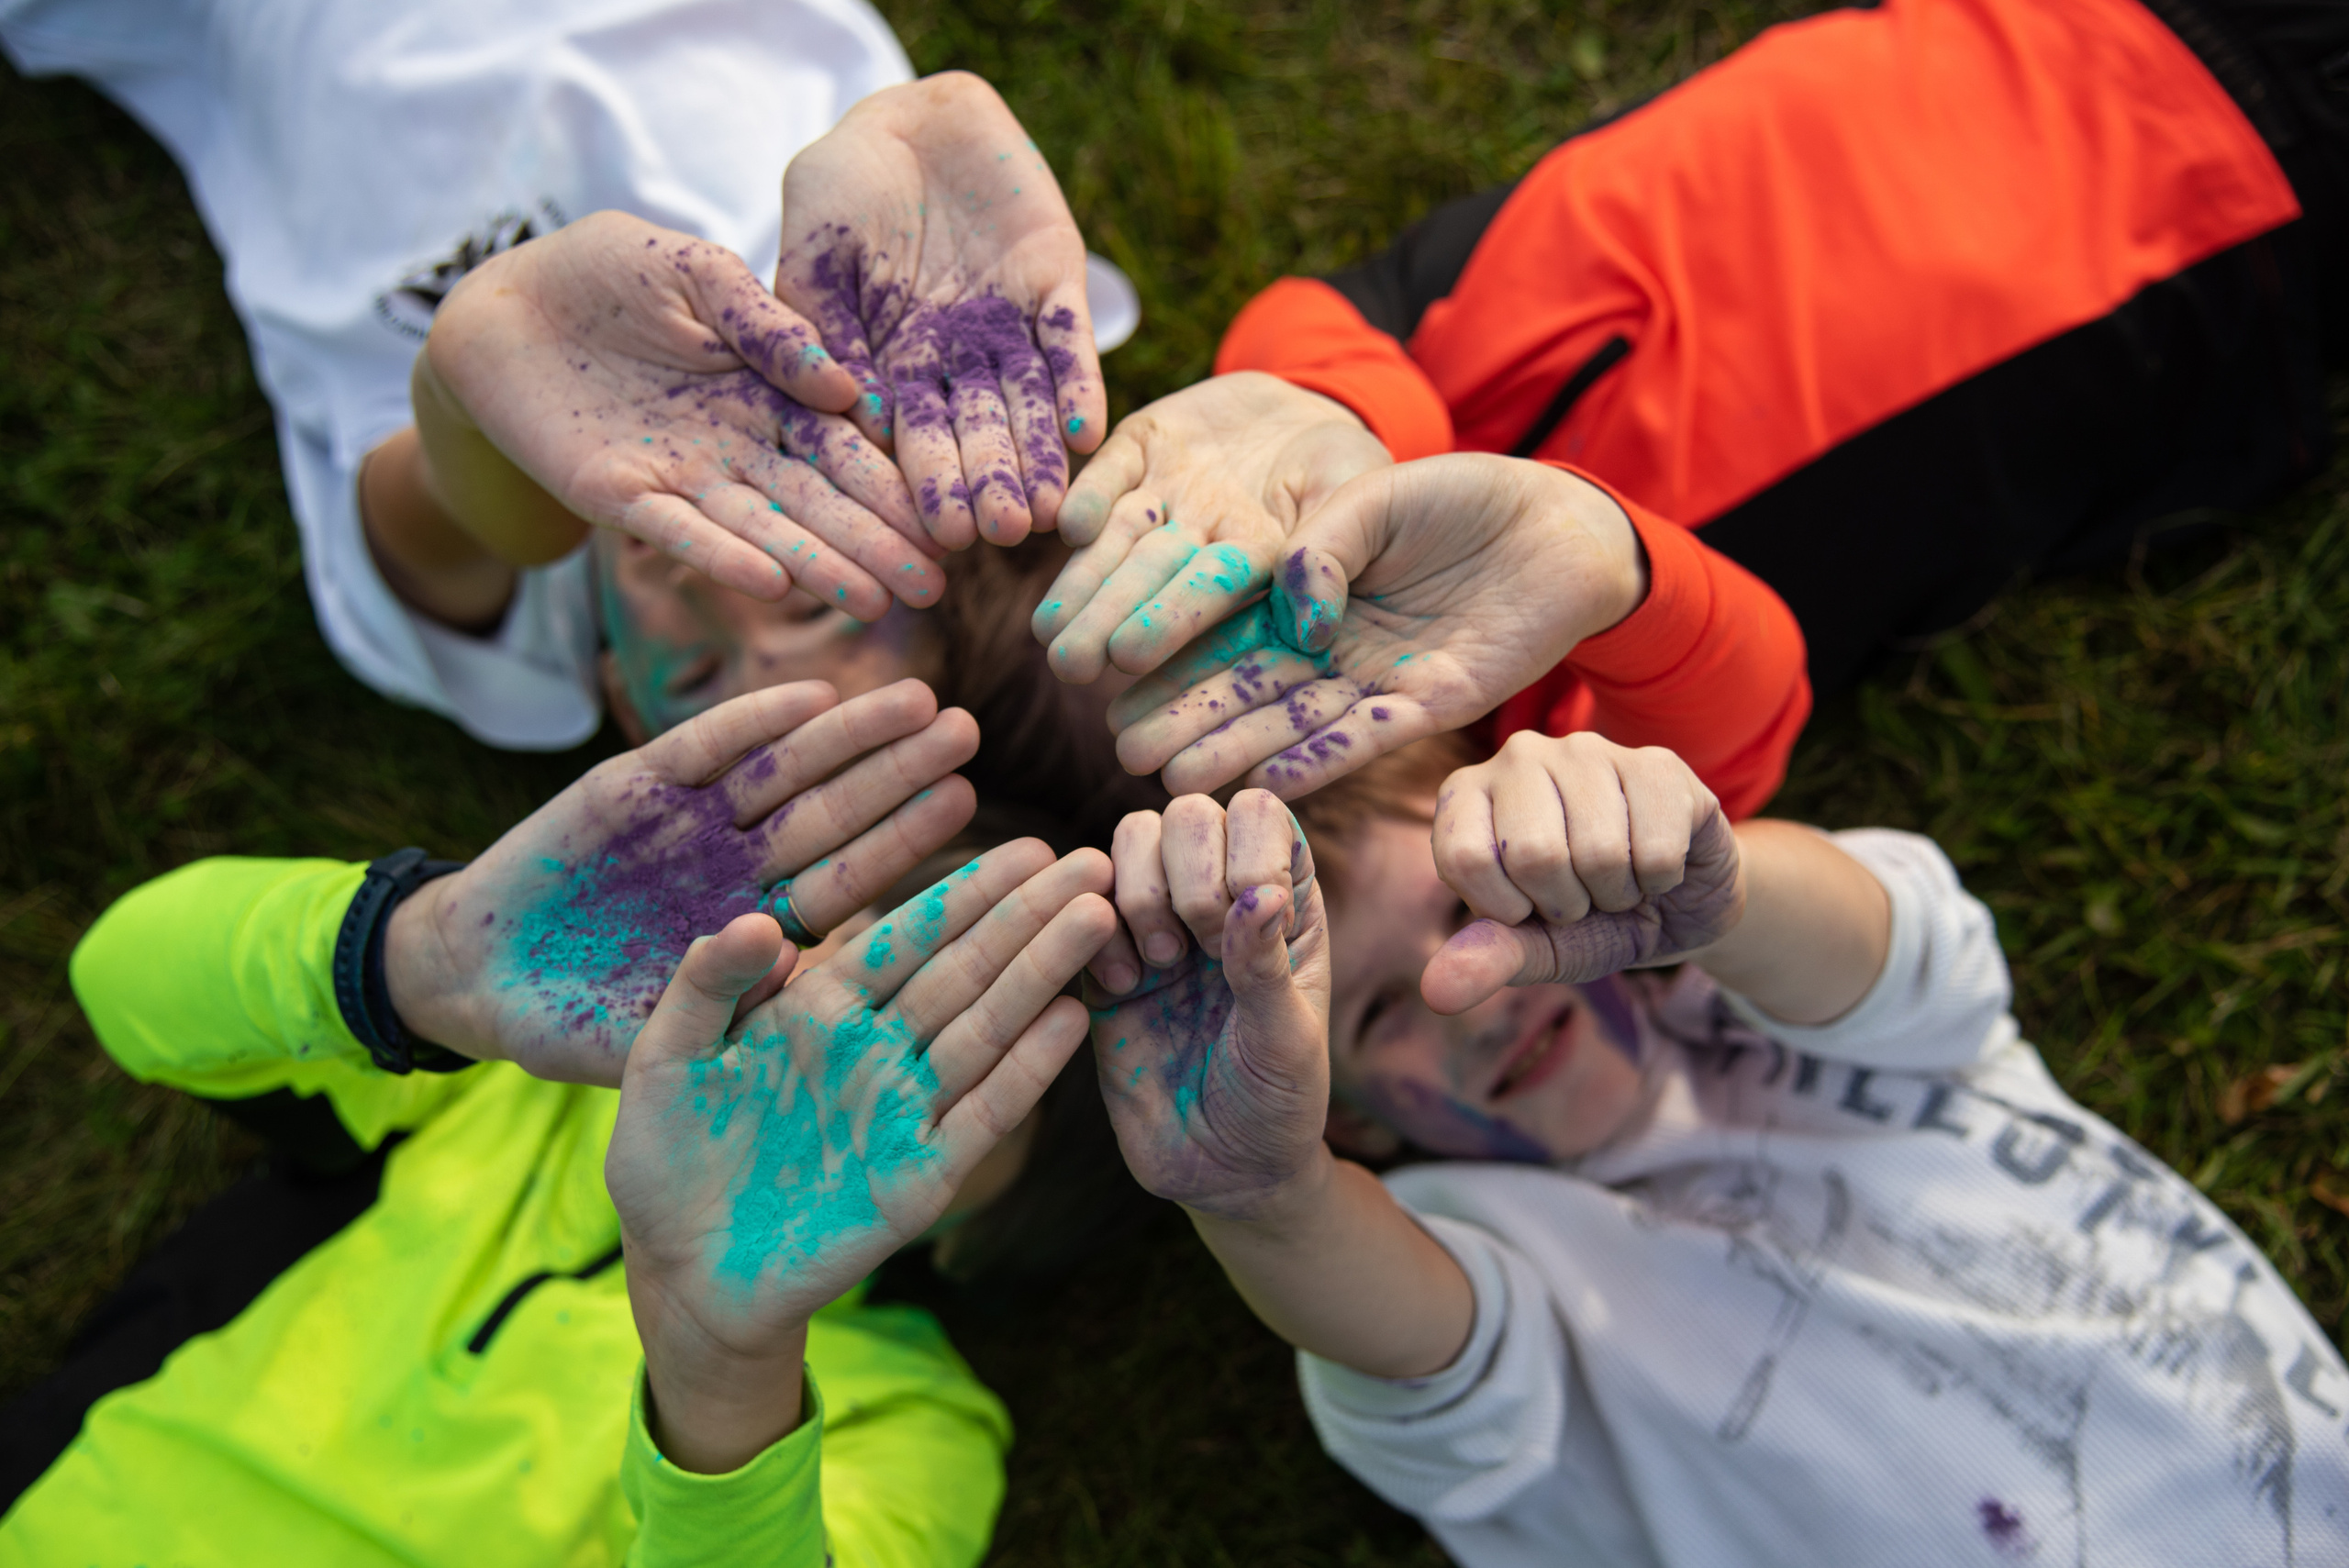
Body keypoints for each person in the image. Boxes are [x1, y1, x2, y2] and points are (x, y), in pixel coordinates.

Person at [1079, 743, 2349, 1565]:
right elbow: (1416, 1351)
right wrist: (1265, 1195)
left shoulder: (1781, 1008)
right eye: (1382, 1013)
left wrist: (1713, 892)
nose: (1475, 991)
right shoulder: (1486, 1245)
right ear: (1345, 1117)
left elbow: (1898, 946)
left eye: (1473, 911)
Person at [1039, 0, 2349, 795]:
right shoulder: (1527, 703)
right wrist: (1603, 564)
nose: (1265, 606)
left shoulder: (1397, 376)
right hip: (2238, 241)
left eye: (1208, 587)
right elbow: (1743, 700)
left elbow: (1320, 326)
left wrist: (1330, 421)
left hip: (2049, 38)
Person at [0, 680, 1122, 1563]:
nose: (844, 1022)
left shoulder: (915, 1426)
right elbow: (121, 983)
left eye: (936, 1056)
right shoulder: (510, 1083)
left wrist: (719, 1361)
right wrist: (424, 959)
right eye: (868, 950)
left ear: (996, 1223)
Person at [0, 2, 1119, 750]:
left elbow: (442, 511)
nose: (709, 589)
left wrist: (479, 360)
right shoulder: (912, 333)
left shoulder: (524, 649)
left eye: (692, 678)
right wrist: (909, 134)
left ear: (625, 705)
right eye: (826, 600)